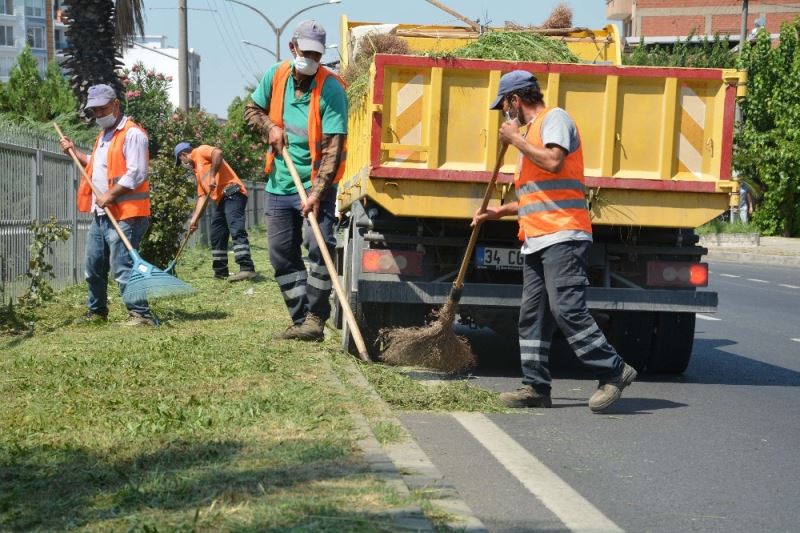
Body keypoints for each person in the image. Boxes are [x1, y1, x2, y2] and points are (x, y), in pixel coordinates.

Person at [472, 70, 636, 412]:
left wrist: (515, 140)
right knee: (532, 315)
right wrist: (499, 212)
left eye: (504, 105)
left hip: (563, 234)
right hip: (536, 238)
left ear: (516, 100)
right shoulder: (530, 134)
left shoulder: (554, 119)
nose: (504, 114)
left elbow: (553, 162)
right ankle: (536, 387)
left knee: (566, 309)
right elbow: (538, 195)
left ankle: (614, 370)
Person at [244, 20, 348, 341]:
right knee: (280, 253)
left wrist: (316, 194)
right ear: (293, 48)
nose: (311, 60)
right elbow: (251, 111)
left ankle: (317, 316)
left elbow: (333, 150)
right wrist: (269, 128)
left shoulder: (331, 87)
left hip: (318, 184)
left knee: (319, 247)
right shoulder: (275, 76)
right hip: (280, 184)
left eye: (317, 54)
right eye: (306, 53)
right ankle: (301, 318)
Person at [59, 83, 157, 326]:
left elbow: (136, 173)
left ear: (115, 104)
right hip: (101, 214)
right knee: (93, 266)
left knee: (122, 266)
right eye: (95, 111)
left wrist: (109, 196)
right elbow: (96, 164)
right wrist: (73, 153)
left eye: (103, 108)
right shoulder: (104, 136)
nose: (100, 114)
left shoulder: (132, 134)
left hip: (126, 214)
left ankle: (141, 314)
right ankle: (97, 311)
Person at [174, 142, 257, 281]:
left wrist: (213, 175)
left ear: (183, 155)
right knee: (217, 234)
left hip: (233, 193)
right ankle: (220, 272)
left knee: (236, 230)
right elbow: (202, 198)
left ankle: (247, 268)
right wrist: (194, 220)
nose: (183, 164)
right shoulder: (197, 173)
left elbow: (218, 153)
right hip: (222, 200)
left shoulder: (200, 151)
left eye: (181, 160)